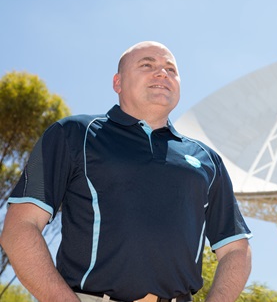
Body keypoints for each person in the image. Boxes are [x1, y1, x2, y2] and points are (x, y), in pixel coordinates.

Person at [0, 41, 252, 302]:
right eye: (147, 65)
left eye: (171, 69)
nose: (162, 73)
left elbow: (236, 249)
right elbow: (20, 227)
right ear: (117, 83)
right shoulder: (73, 134)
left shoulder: (207, 160)